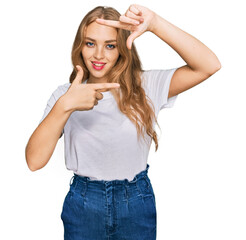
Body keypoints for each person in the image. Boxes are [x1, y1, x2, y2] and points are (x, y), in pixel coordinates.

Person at [25, 4, 221, 240]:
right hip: (85, 204)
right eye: (90, 43)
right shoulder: (65, 94)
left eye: (110, 45)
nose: (98, 55)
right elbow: (34, 161)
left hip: (135, 203)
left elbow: (209, 65)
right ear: (80, 46)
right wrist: (65, 105)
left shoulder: (146, 85)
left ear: (123, 48)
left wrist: (156, 24)